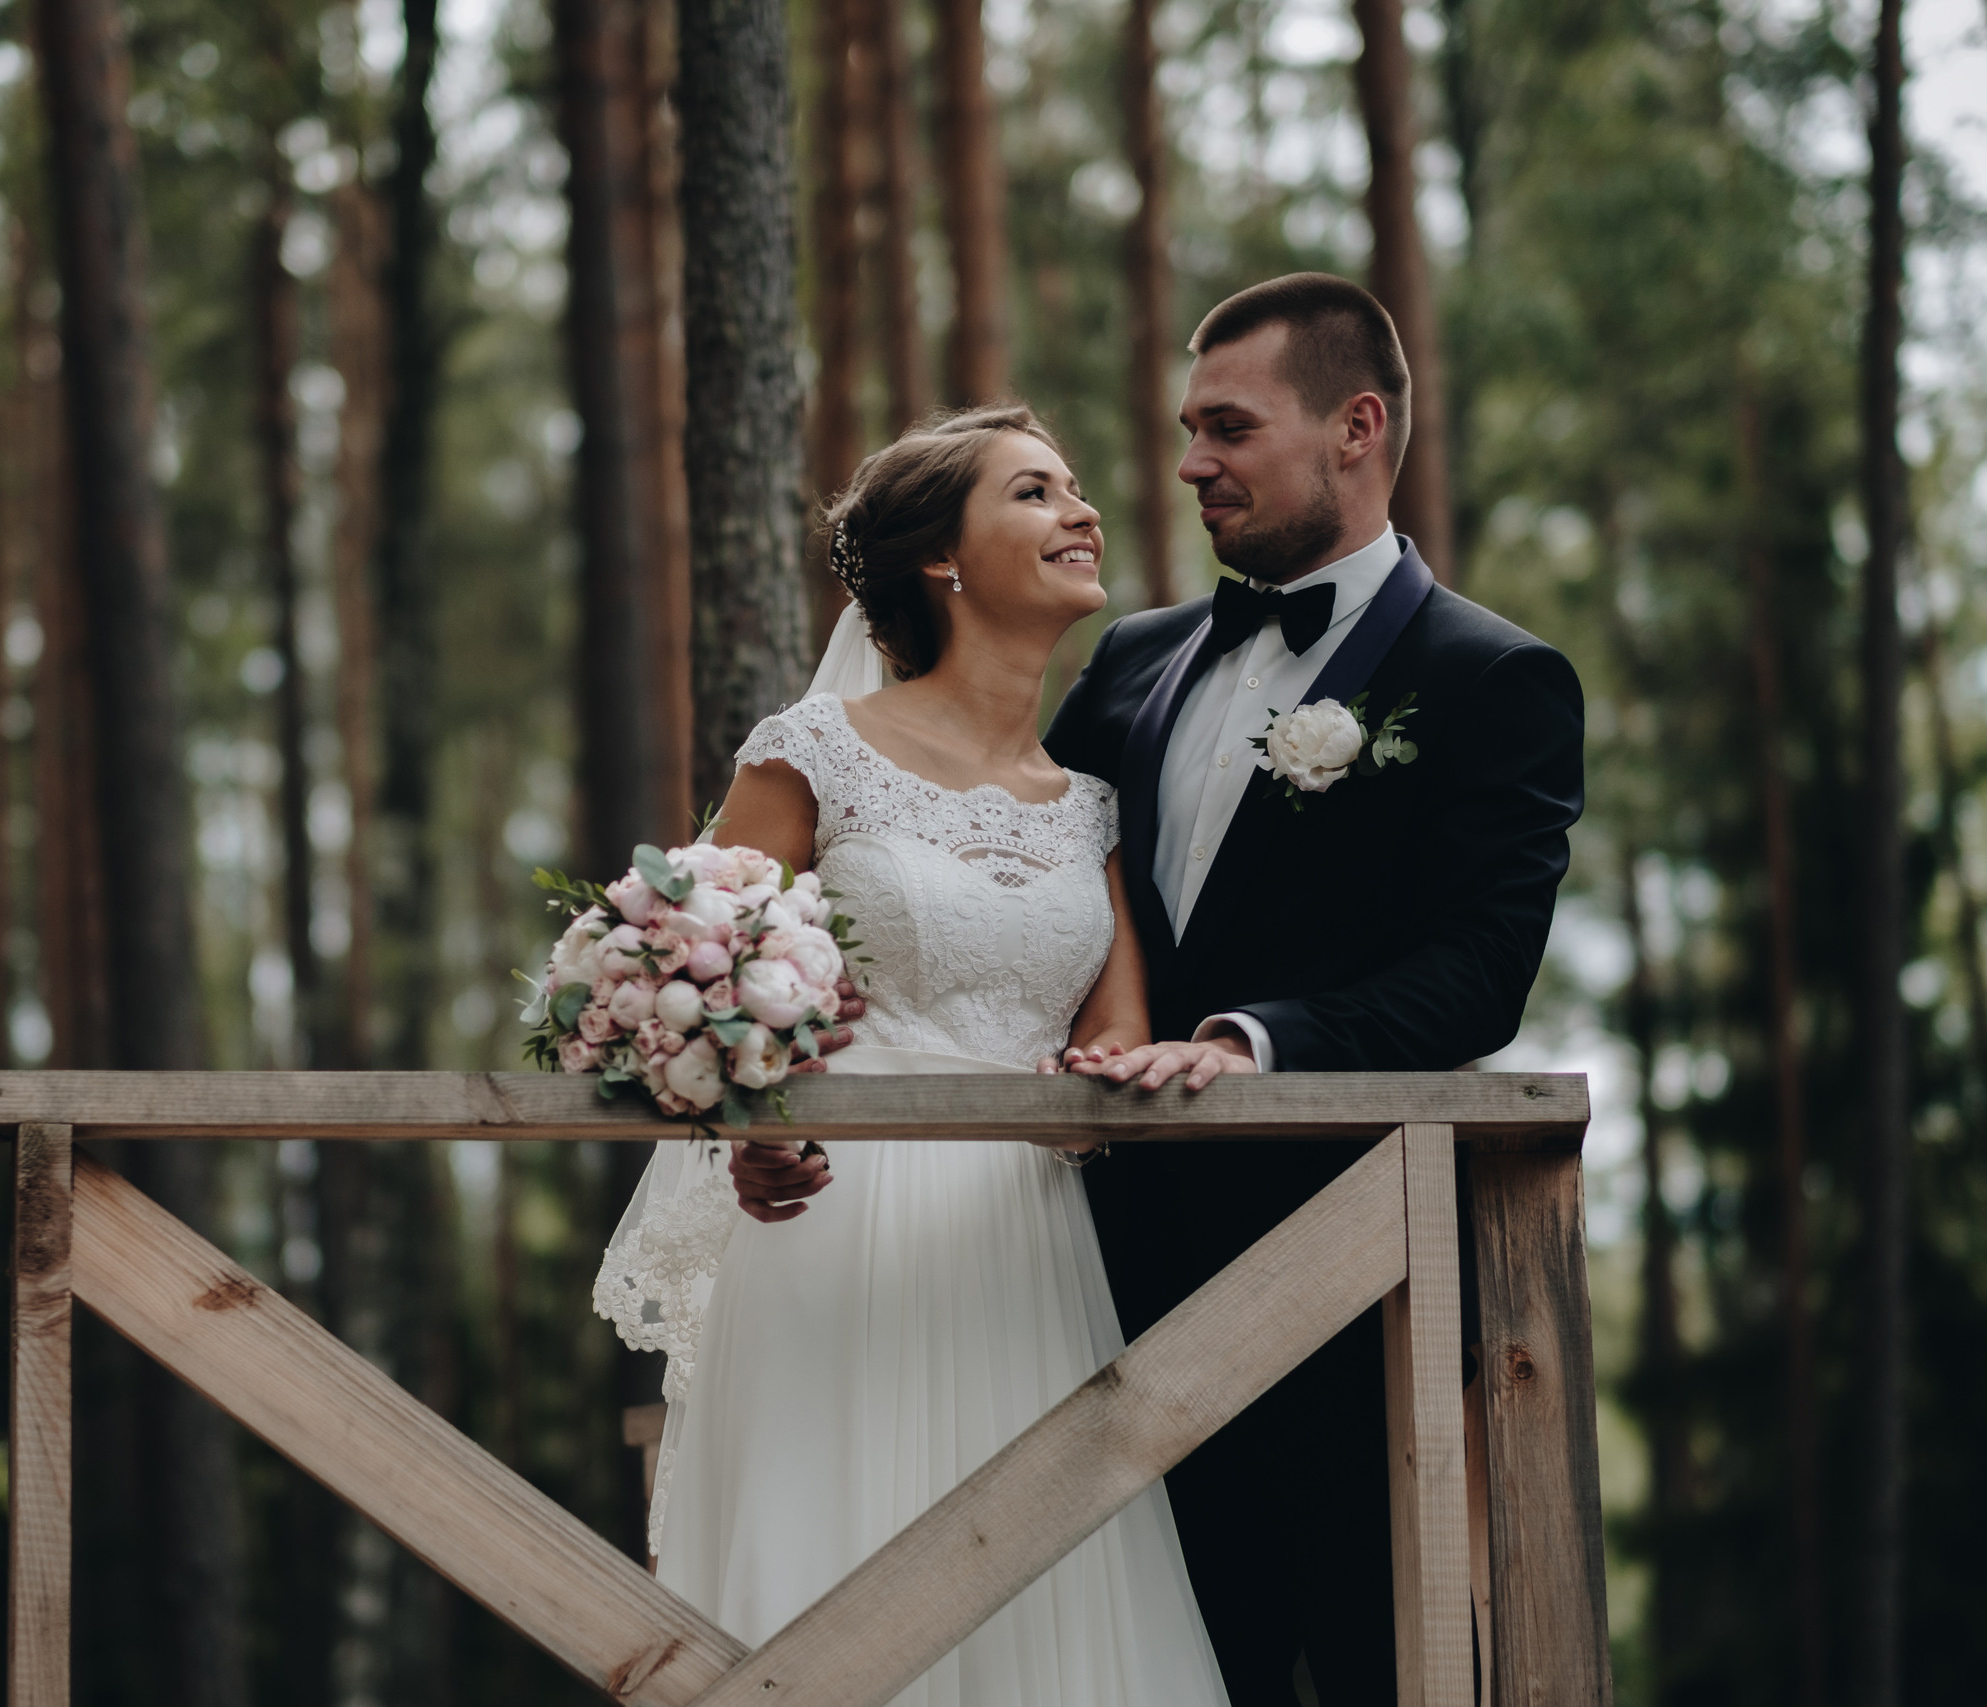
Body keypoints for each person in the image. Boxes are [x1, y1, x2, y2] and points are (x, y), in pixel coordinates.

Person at [734, 274, 1585, 1705]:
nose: (1188, 463)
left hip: (1341, 1288)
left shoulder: (1491, 677)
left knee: (1386, 1664)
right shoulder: (1130, 662)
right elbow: (1004, 888)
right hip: (1082, 1288)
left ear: (1357, 427)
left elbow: (1477, 972)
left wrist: (1254, 1045)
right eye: (1190, 429)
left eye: (1229, 429)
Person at [594, 404, 1230, 1704]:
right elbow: (684, 974)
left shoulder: (1093, 811)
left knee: (1040, 1611)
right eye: (1038, 493)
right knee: (833, 1597)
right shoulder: (814, 752)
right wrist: (748, 1128)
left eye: (1074, 488)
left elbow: (1113, 1039)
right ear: (943, 557)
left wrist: (1114, 1089)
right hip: (840, 1230)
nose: (1084, 512)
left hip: (1029, 1254)